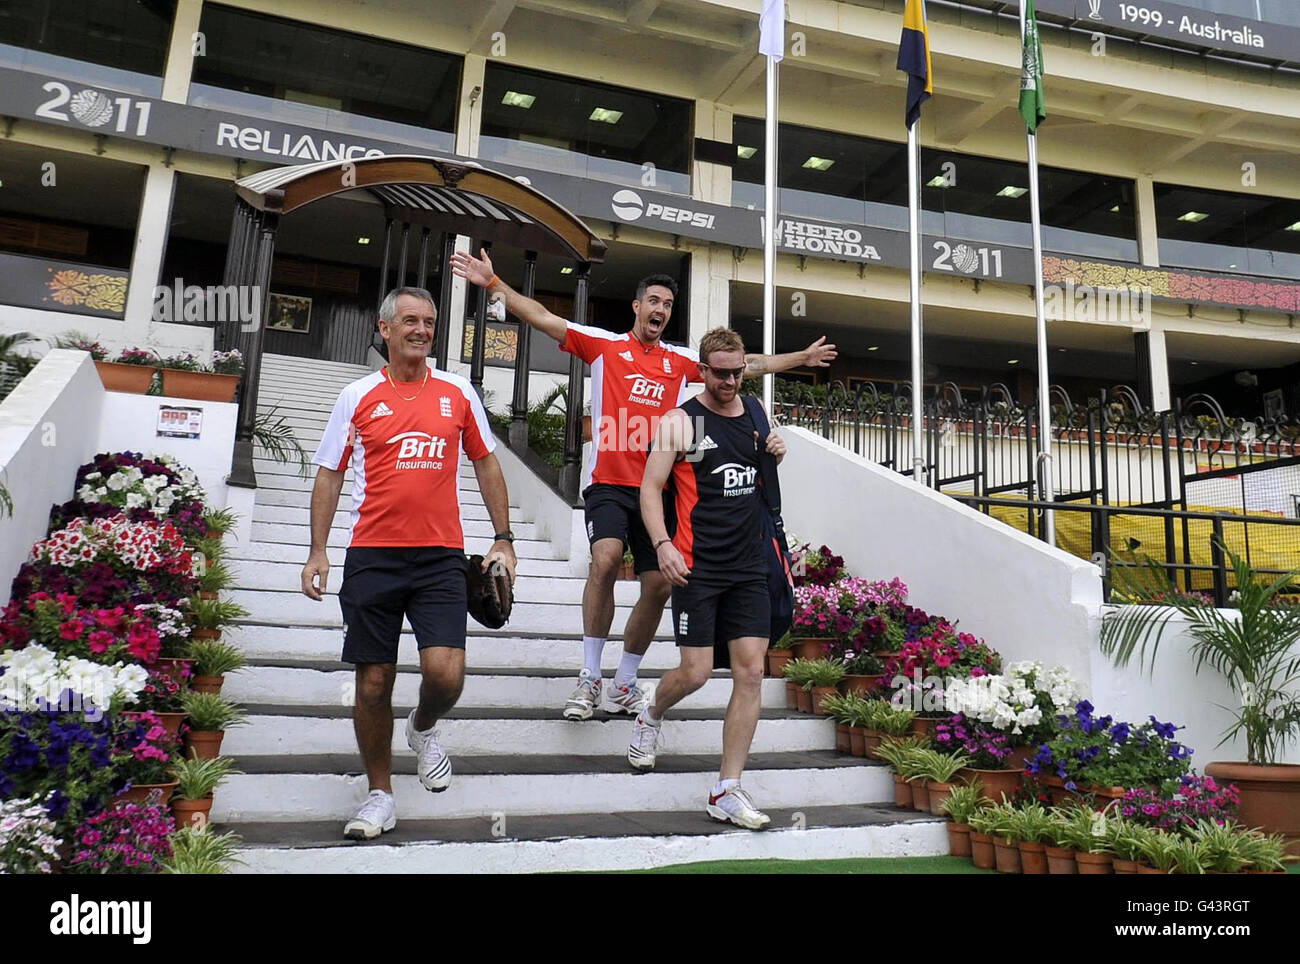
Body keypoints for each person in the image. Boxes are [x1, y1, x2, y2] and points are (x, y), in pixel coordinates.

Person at [451, 248, 834, 722]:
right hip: (609, 484)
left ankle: (625, 680)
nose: (660, 310)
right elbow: (545, 318)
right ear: (636, 306)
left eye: (668, 305)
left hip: (659, 491)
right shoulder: (604, 346)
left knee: (658, 585)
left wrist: (803, 357)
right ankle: (590, 676)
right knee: (607, 558)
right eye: (653, 300)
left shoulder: (679, 360)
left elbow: (743, 366)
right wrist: (493, 285)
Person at [300, 287, 518, 840]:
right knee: (373, 683)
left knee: (446, 675)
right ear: (385, 328)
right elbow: (328, 472)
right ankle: (380, 795)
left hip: (441, 557)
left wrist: (504, 538)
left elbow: (488, 464)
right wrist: (318, 550)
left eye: (429, 322)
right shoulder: (357, 395)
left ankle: (423, 728)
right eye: (410, 321)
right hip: (372, 555)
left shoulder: (457, 390)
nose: (421, 329)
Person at [629, 327, 783, 830]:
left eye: (738, 371)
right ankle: (651, 711)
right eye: (721, 373)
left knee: (751, 672)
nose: (731, 381)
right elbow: (650, 490)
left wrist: (774, 451)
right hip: (697, 565)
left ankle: (726, 788)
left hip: (750, 566)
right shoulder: (682, 422)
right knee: (695, 673)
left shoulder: (757, 412)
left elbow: (759, 476)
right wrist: (662, 544)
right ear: (702, 370)